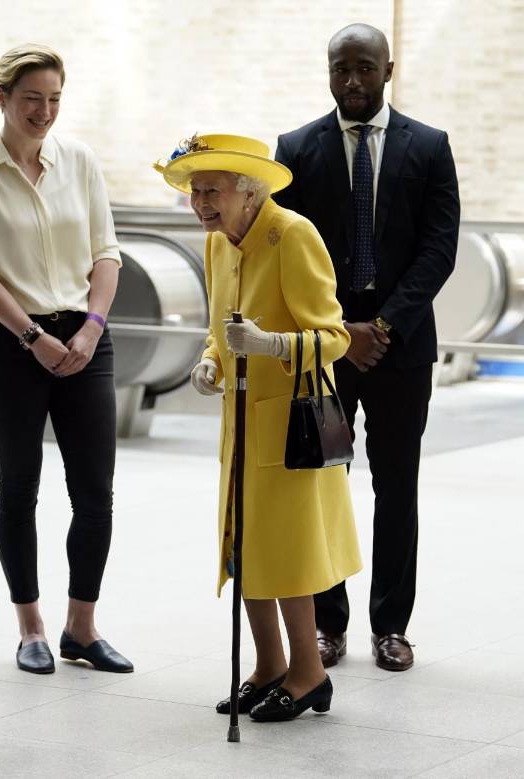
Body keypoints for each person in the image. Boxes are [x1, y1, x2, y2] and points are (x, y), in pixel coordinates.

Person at [274, 23, 460, 672]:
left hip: (399, 352)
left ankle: (391, 625)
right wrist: (337, 330)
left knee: (397, 485)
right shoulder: (295, 148)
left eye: (363, 68)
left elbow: (440, 248)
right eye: (339, 69)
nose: (351, 80)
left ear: (388, 69)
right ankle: (329, 625)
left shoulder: (430, 147)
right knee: (322, 483)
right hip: (323, 358)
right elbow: (285, 252)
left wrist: (382, 327)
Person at [157, 133, 361, 721]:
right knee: (244, 548)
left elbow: (334, 337)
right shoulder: (221, 242)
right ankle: (269, 665)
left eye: (211, 191)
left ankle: (309, 672)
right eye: (195, 192)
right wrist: (211, 359)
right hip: (240, 423)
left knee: (288, 553)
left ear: (248, 191)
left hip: (289, 425)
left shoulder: (292, 234)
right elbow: (223, 328)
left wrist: (272, 344)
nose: (201, 204)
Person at [0, 44, 131, 676]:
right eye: (32, 99)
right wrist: (34, 338)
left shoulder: (79, 161)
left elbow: (106, 252)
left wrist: (90, 329)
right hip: (11, 340)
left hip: (86, 337)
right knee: (18, 488)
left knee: (95, 494)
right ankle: (31, 628)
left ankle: (83, 627)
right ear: (2, 98)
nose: (45, 112)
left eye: (54, 99)